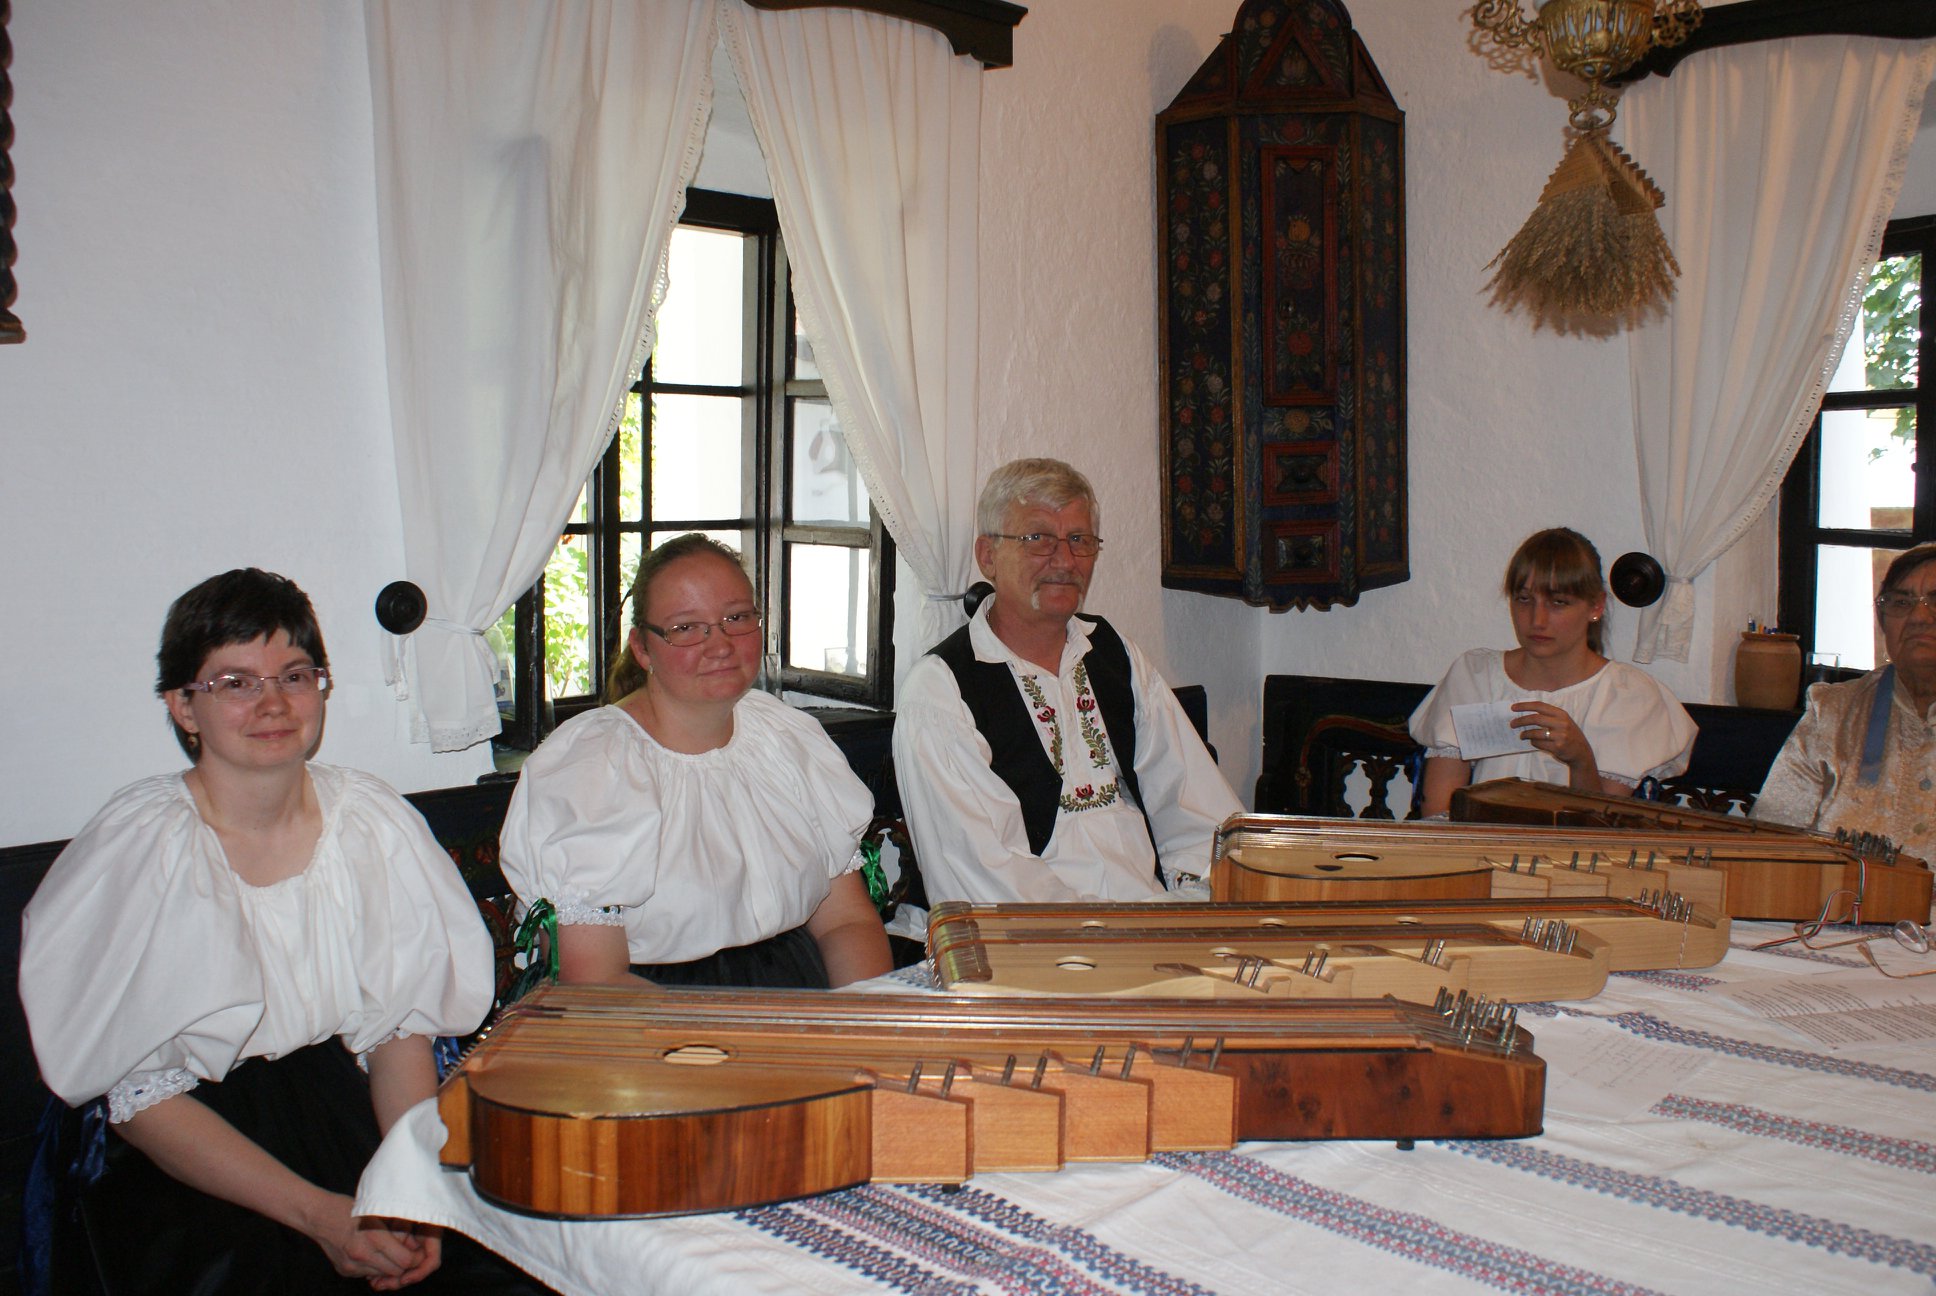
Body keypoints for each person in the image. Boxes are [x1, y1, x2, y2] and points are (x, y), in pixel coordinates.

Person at [19, 569, 532, 1294]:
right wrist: (322, 1216)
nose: (272, 702)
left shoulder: (370, 822)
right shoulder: (141, 849)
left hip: (338, 1104)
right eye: (235, 682)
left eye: (294, 674)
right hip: (181, 1149)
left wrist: (411, 1192)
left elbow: (397, 1034)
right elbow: (135, 1098)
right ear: (183, 706)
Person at [498, 534, 892, 990]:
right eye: (686, 627)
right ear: (642, 648)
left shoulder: (787, 738)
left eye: (736, 618)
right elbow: (595, 981)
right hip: (647, 1016)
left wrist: (860, 1015)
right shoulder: (593, 768)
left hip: (802, 996)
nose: (720, 644)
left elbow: (845, 922)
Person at [893, 457, 1242, 904]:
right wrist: (1124, 931)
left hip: (1155, 920)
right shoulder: (941, 694)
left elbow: (1198, 811)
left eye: (1079, 539)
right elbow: (991, 886)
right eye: (1037, 539)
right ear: (988, 556)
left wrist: (1197, 905)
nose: (1064, 560)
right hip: (1039, 938)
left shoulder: (1114, 655)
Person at [1408, 527, 1696, 819]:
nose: (1538, 620)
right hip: (1479, 841)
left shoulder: (1627, 695)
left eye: (1558, 602)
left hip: (1572, 847)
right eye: (1524, 599)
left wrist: (1580, 758)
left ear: (1596, 606)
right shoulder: (1476, 676)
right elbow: (1439, 811)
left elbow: (1598, 828)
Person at [1753, 543, 1936, 865]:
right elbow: (1770, 845)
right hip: (1838, 896)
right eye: (1902, 602)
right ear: (1882, 621)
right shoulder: (1833, 714)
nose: (1919, 616)